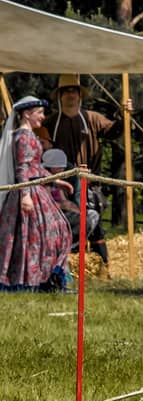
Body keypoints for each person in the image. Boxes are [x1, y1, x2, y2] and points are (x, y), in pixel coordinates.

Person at [36, 74, 116, 267]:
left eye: (74, 91)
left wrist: (124, 116)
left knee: (94, 223)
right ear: (60, 95)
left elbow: (114, 132)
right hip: (58, 183)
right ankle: (62, 264)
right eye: (66, 91)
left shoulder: (93, 118)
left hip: (89, 182)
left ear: (80, 95)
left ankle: (101, 268)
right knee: (63, 221)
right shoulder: (50, 122)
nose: (70, 95)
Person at [0, 95, 74, 291]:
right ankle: (32, 281)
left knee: (55, 231)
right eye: (39, 113)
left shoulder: (29, 135)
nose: (42, 117)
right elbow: (22, 168)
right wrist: (25, 195)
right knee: (35, 237)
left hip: (36, 189)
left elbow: (35, 167)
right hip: (28, 192)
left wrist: (56, 180)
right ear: (26, 114)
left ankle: (46, 277)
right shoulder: (23, 137)